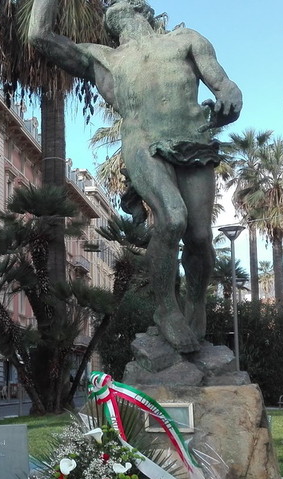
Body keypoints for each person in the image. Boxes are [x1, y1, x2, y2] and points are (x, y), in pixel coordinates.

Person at [29, 0, 242, 353]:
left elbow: (223, 84)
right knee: (172, 218)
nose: (115, 4)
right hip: (143, 141)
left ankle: (195, 302)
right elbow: (40, 36)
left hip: (193, 139)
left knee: (201, 237)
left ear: (143, 10)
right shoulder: (102, 57)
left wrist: (230, 98)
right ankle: (166, 309)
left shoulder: (186, 39)